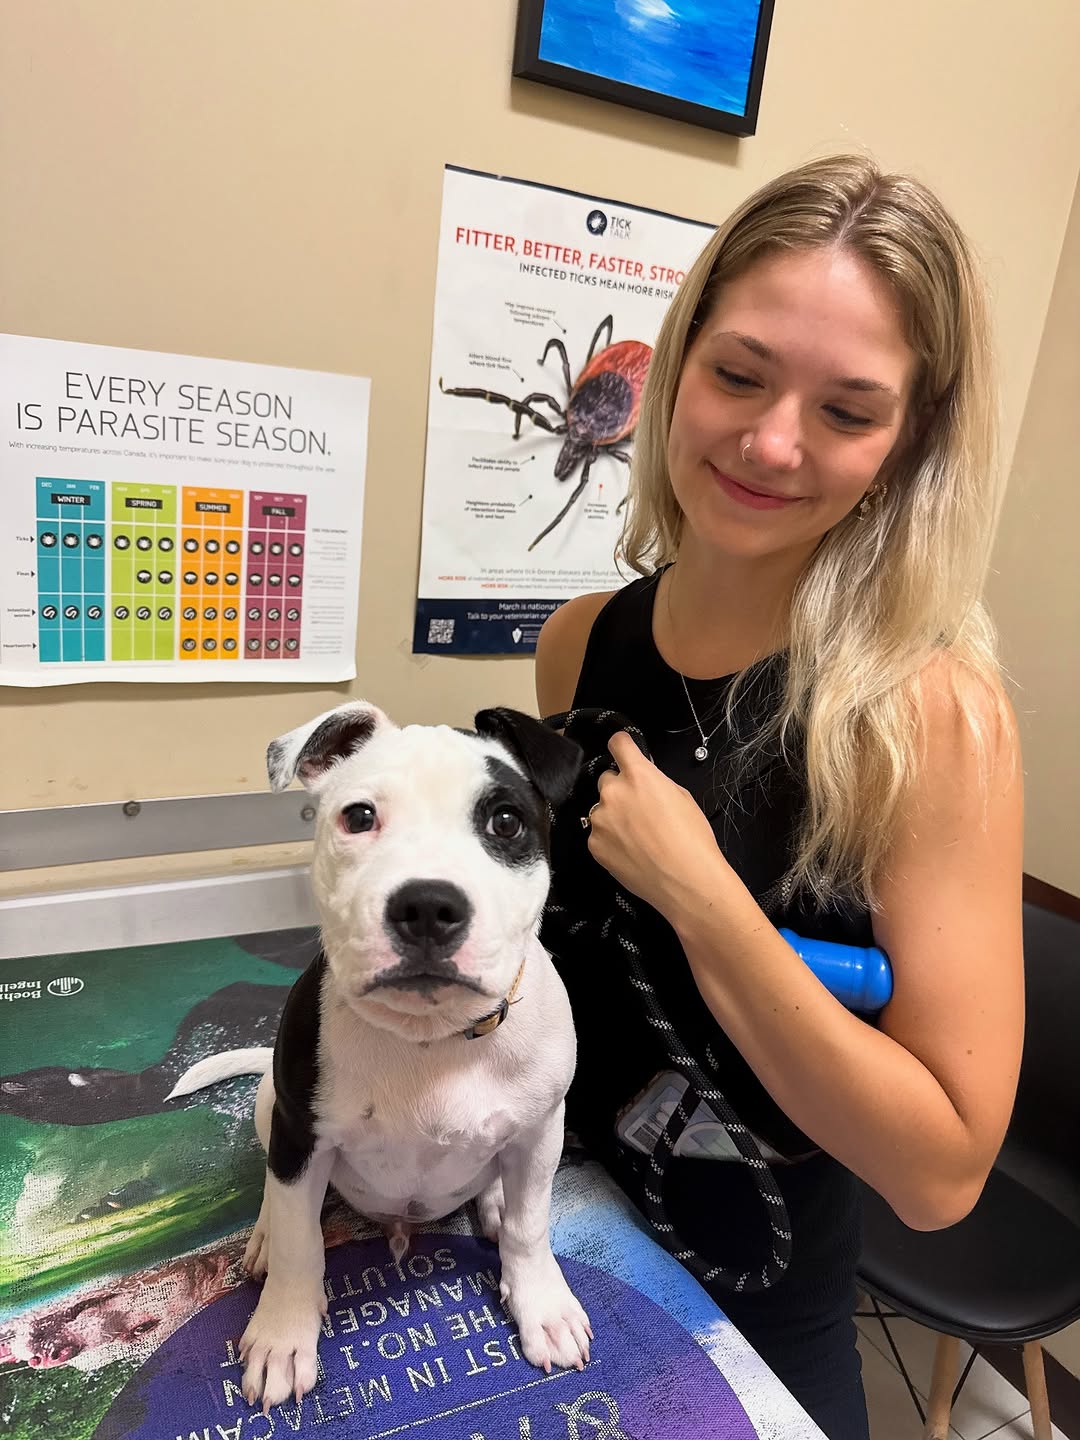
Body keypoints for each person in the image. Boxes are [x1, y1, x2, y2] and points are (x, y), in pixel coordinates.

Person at [534, 154, 1024, 1440]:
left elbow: (940, 1174)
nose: (769, 443)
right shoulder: (578, 645)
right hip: (544, 1241)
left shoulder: (927, 716)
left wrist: (707, 900)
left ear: (908, 437)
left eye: (849, 411)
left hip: (753, 1313)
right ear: (679, 361)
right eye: (739, 375)